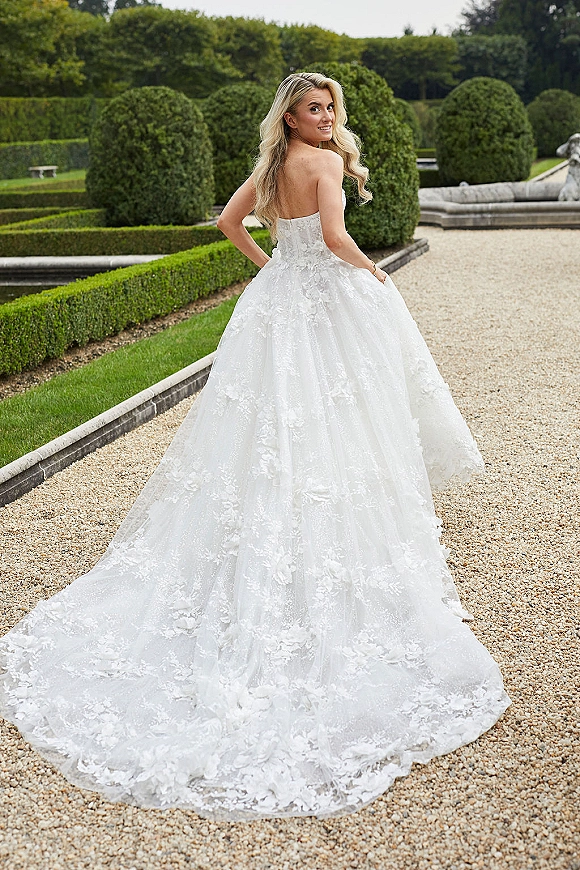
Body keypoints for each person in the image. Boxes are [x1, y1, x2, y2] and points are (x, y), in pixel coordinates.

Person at [0, 73, 510, 820]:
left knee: (273, 425)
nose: (327, 116)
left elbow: (229, 226)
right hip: (325, 301)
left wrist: (273, 269)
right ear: (293, 118)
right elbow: (335, 238)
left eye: (331, 107)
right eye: (315, 108)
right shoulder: (327, 164)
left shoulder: (271, 169)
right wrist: (371, 274)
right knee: (338, 417)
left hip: (275, 309)